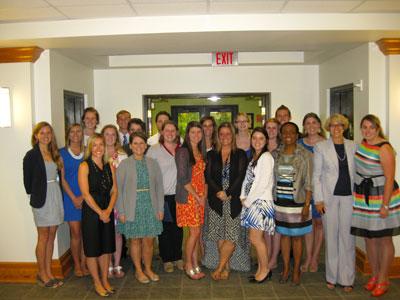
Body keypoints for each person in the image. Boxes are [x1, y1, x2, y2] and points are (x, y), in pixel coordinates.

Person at [351, 114, 400, 297]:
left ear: (377, 128)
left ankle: (384, 279)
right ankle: (374, 274)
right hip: (365, 197)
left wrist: (385, 205)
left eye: (371, 127)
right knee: (369, 239)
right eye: (364, 127)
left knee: (384, 239)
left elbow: (389, 179)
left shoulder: (384, 148)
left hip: (382, 197)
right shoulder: (362, 144)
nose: (367, 131)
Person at [313, 114, 356, 292]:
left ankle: (347, 278)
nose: (336, 128)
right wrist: (318, 200)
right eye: (332, 125)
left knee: (348, 238)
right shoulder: (320, 147)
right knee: (331, 237)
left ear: (344, 127)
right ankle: (331, 276)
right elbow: (316, 176)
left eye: (340, 125)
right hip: (328, 199)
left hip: (349, 198)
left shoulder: (354, 146)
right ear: (328, 128)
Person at [116, 132, 164, 284]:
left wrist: (160, 209)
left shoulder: (153, 163)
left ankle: (148, 268)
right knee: (135, 241)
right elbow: (118, 189)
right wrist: (121, 211)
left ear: (146, 146)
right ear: (130, 146)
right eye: (135, 143)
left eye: (142, 143)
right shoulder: (124, 164)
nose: (139, 146)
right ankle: (138, 270)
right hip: (132, 207)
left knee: (149, 240)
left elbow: (159, 187)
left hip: (150, 206)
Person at [204, 122, 249, 280]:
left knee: (231, 234)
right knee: (219, 233)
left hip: (233, 198)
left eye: (227, 134)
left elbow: (241, 176)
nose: (224, 137)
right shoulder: (211, 154)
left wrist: (228, 192)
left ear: (233, 135)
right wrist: (219, 192)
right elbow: (208, 176)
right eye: (221, 134)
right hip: (216, 198)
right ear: (218, 136)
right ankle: (227, 266)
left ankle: (219, 267)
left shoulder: (241, 154)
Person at [23, 122, 64, 288]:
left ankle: (48, 271)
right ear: (36, 135)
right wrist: (40, 191)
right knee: (43, 236)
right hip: (42, 198)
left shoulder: (54, 153)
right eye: (42, 132)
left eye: (49, 132)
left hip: (55, 194)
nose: (46, 135)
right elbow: (27, 183)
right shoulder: (31, 155)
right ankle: (41, 273)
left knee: (52, 235)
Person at [78, 134, 117, 297]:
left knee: (106, 248)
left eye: (101, 145)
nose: (99, 148)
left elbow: (115, 190)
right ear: (90, 147)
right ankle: (97, 282)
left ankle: (105, 279)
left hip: (107, 210)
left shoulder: (110, 165)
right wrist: (100, 212)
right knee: (93, 249)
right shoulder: (84, 166)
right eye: (95, 145)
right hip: (92, 212)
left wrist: (108, 210)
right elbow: (85, 195)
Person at [274, 122, 312, 285]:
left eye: (292, 132)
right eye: (285, 132)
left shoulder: (305, 154)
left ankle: (296, 270)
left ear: (297, 135)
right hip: (280, 202)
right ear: (281, 135)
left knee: (297, 238)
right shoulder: (275, 154)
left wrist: (306, 205)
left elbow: (310, 182)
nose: (288, 134)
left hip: (298, 202)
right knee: (283, 235)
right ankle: (286, 269)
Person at [147, 121, 184, 273]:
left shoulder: (181, 149)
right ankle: (167, 259)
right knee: (165, 229)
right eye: (166, 130)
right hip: (162, 196)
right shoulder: (154, 150)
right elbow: (148, 174)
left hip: (180, 195)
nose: (170, 133)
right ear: (161, 132)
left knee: (178, 228)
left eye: (173, 130)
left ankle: (178, 257)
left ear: (176, 132)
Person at [240, 127, 275, 283]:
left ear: (266, 140)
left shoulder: (266, 157)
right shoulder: (255, 157)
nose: (257, 141)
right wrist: (242, 195)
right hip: (253, 202)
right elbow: (248, 180)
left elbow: (261, 184)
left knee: (256, 239)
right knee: (256, 238)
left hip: (260, 202)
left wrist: (247, 201)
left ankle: (265, 270)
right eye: (255, 138)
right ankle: (261, 268)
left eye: (261, 138)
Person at [175, 121, 207, 280]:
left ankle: (195, 263)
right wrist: (197, 197)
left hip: (200, 197)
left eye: (199, 132)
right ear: (187, 134)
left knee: (196, 233)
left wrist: (204, 196)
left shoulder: (201, 152)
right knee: (194, 233)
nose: (196, 135)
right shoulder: (183, 152)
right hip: (189, 197)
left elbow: (204, 177)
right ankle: (188, 264)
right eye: (193, 132)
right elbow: (182, 178)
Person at [59, 124, 88, 277]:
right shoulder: (61, 153)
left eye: (78, 131)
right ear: (68, 134)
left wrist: (83, 196)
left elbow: (90, 176)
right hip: (71, 198)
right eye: (72, 131)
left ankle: (85, 263)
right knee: (75, 233)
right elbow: (62, 179)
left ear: (82, 134)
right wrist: (74, 198)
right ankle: (76, 264)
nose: (76, 134)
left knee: (86, 233)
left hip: (87, 197)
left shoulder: (87, 151)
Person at [298, 113, 325, 273]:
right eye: (308, 123)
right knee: (308, 224)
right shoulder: (299, 143)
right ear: (304, 126)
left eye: (314, 122)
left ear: (319, 125)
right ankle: (308, 257)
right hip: (304, 189)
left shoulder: (326, 143)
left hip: (321, 189)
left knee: (319, 223)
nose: (311, 125)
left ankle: (315, 257)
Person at [101, 125, 128, 279]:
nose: (110, 137)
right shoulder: (98, 153)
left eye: (113, 134)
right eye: (107, 134)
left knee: (117, 234)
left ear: (116, 137)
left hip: (118, 200)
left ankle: (117, 264)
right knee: (106, 234)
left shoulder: (123, 156)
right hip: (103, 201)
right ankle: (108, 265)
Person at [263, 118, 281, 269]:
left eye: (274, 128)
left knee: (275, 228)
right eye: (268, 128)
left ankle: (274, 258)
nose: (271, 130)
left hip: (279, 193)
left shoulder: (282, 147)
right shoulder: (261, 145)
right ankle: (267, 255)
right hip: (263, 194)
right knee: (266, 228)